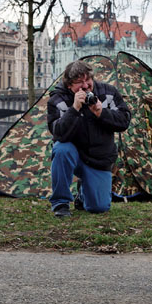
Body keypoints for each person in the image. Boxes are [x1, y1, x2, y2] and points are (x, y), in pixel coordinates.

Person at [47, 60, 131, 217]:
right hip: (74, 154)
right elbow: (58, 132)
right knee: (61, 149)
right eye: (79, 82)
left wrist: (101, 113)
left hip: (99, 158)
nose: (85, 86)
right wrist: (74, 109)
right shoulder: (57, 100)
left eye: (88, 80)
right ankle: (61, 203)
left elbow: (124, 121)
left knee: (99, 208)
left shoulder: (109, 93)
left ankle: (82, 195)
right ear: (69, 85)